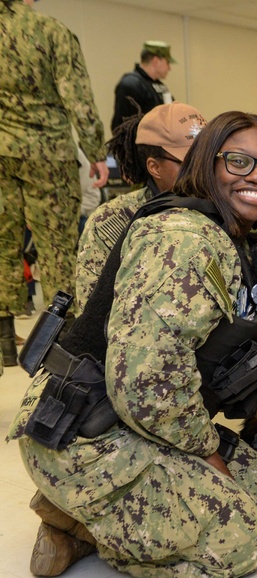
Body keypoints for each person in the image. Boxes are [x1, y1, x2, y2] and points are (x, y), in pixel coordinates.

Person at [7, 111, 257, 578]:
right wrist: (208, 453)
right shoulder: (184, 240)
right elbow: (144, 386)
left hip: (141, 422)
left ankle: (94, 512)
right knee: (246, 543)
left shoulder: (242, 241)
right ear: (208, 164)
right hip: (88, 433)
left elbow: (248, 359)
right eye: (239, 162)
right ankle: (87, 524)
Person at [0, 0, 108, 368]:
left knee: (1, 242)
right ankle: (61, 347)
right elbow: (78, 100)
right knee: (57, 248)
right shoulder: (51, 32)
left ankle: (3, 340)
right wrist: (96, 151)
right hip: (48, 153)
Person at [77, 102, 206, 307]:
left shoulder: (226, 208)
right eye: (190, 162)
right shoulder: (113, 221)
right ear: (155, 167)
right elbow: (93, 314)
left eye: (209, 158)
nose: (204, 169)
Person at [110, 41, 175, 132]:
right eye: (167, 63)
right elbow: (122, 127)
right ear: (155, 61)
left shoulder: (160, 86)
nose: (169, 68)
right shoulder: (130, 84)